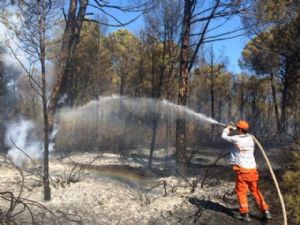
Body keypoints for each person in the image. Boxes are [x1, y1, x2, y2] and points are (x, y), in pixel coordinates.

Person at [222, 120, 272, 222]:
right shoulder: (251, 138)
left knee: (241, 192)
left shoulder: (236, 139)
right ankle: (266, 211)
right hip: (253, 171)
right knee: (255, 191)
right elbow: (242, 133)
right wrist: (235, 128)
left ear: (239, 129)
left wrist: (227, 129)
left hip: (243, 172)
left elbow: (224, 136)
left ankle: (245, 214)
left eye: (237, 127)